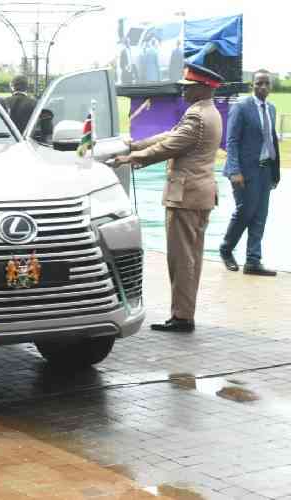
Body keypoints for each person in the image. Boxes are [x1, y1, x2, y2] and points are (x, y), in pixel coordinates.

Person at [113, 63, 224, 333]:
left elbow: (169, 146)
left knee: (182, 258)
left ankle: (182, 317)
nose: (183, 91)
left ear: (201, 89)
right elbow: (171, 136)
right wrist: (135, 144)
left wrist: (130, 158)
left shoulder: (197, 117)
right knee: (191, 257)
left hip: (185, 196)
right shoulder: (207, 112)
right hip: (200, 194)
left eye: (188, 87)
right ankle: (184, 313)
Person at [219, 70, 281, 276]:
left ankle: (253, 261)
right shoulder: (241, 107)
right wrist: (235, 170)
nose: (262, 87)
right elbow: (232, 141)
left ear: (270, 86)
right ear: (251, 85)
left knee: (260, 215)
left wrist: (274, 172)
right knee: (245, 211)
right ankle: (226, 249)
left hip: (265, 170)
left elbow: (271, 140)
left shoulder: (270, 109)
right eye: (258, 83)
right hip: (243, 171)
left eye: (266, 84)